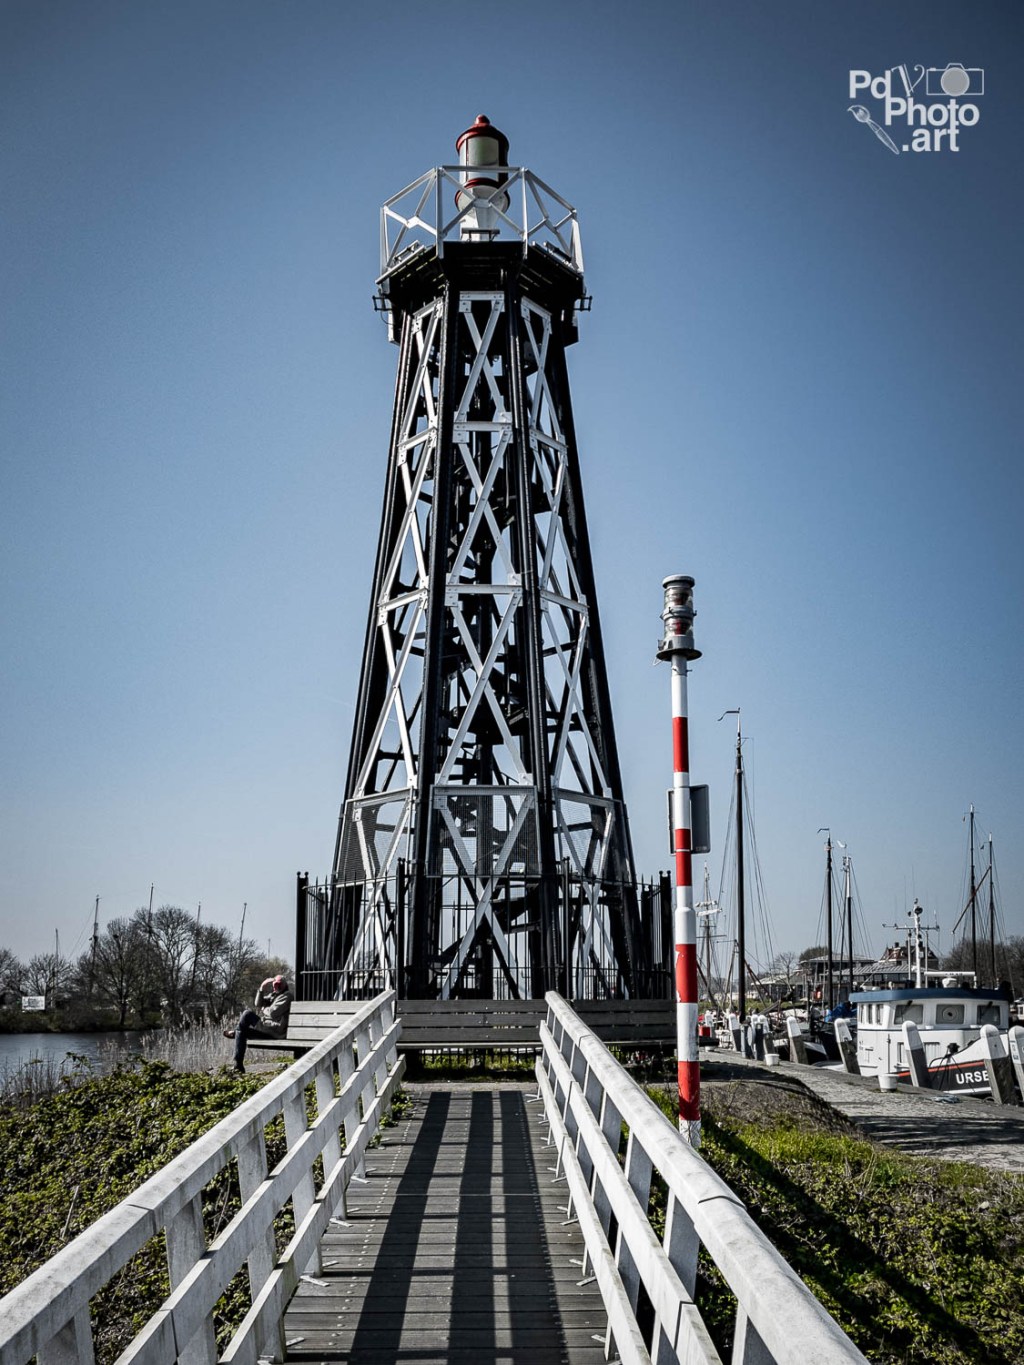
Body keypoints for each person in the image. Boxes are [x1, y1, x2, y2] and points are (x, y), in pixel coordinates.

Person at [224, 975, 292, 1072]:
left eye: (279, 984)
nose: (276, 987)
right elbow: (257, 1004)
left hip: (275, 1030)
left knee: (247, 1014)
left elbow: (273, 1013)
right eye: (274, 985)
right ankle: (238, 1065)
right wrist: (261, 988)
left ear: (284, 985)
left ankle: (235, 1032)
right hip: (267, 1029)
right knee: (241, 1032)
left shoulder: (286, 996)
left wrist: (264, 1009)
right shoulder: (274, 995)